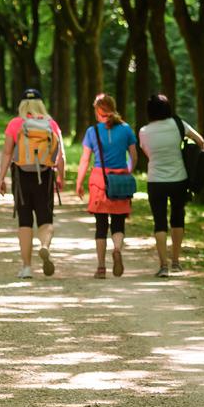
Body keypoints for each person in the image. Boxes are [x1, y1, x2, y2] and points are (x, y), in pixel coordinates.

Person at [0, 88, 65, 279]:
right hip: (45, 175)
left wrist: (1, 178)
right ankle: (44, 246)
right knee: (46, 219)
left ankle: (27, 267)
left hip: (21, 176)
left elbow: (7, 152)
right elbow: (60, 154)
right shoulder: (51, 123)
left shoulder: (15, 123)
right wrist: (61, 176)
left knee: (24, 221)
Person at [137, 93, 204, 277]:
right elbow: (200, 141)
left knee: (159, 222)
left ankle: (163, 265)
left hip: (156, 180)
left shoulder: (144, 131)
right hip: (179, 179)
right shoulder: (179, 124)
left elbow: (148, 153)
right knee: (177, 219)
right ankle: (176, 261)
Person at [74, 93, 137, 279]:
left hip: (100, 182)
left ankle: (101, 267)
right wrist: (128, 171)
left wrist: (79, 183)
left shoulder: (92, 131)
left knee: (100, 226)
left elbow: (85, 160)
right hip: (120, 182)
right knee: (118, 223)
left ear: (97, 110)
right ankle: (117, 249)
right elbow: (134, 156)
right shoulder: (126, 129)